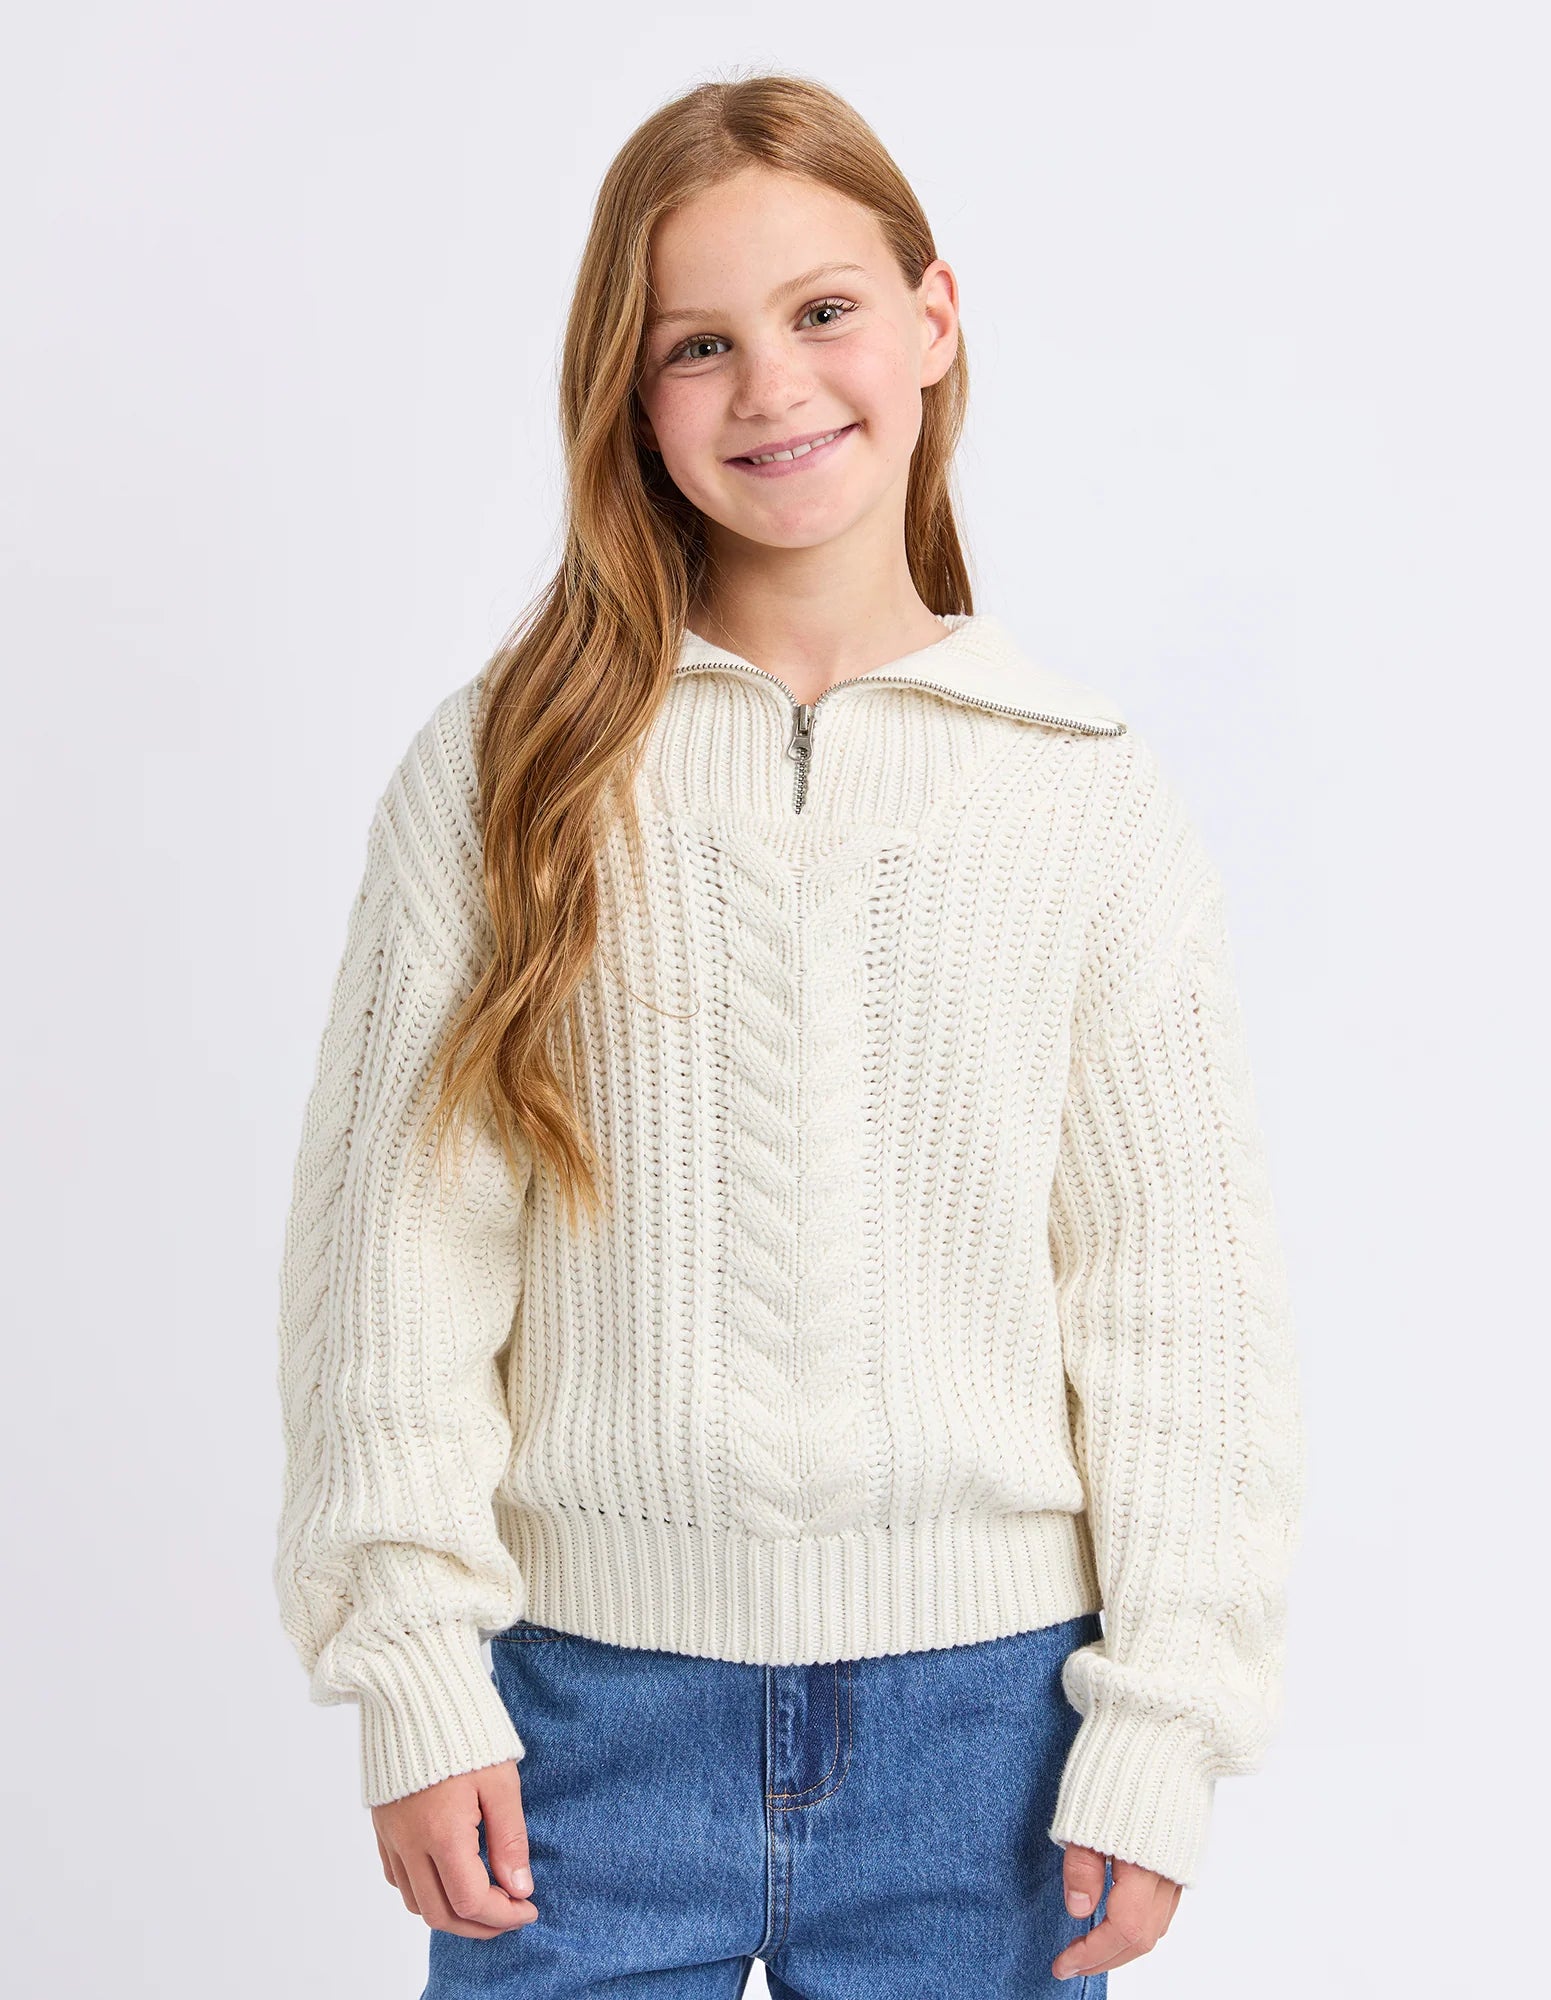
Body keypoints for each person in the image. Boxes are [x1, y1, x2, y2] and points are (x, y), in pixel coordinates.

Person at [272, 71, 1305, 1998]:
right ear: (629, 390)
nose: (771, 387)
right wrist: (412, 1664)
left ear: (933, 319)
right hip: (574, 1721)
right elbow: (391, 1258)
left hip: (994, 1746)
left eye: (824, 310)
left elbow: (1176, 1303)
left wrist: (1169, 1717)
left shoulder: (1082, 792)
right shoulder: (510, 769)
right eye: (698, 344)